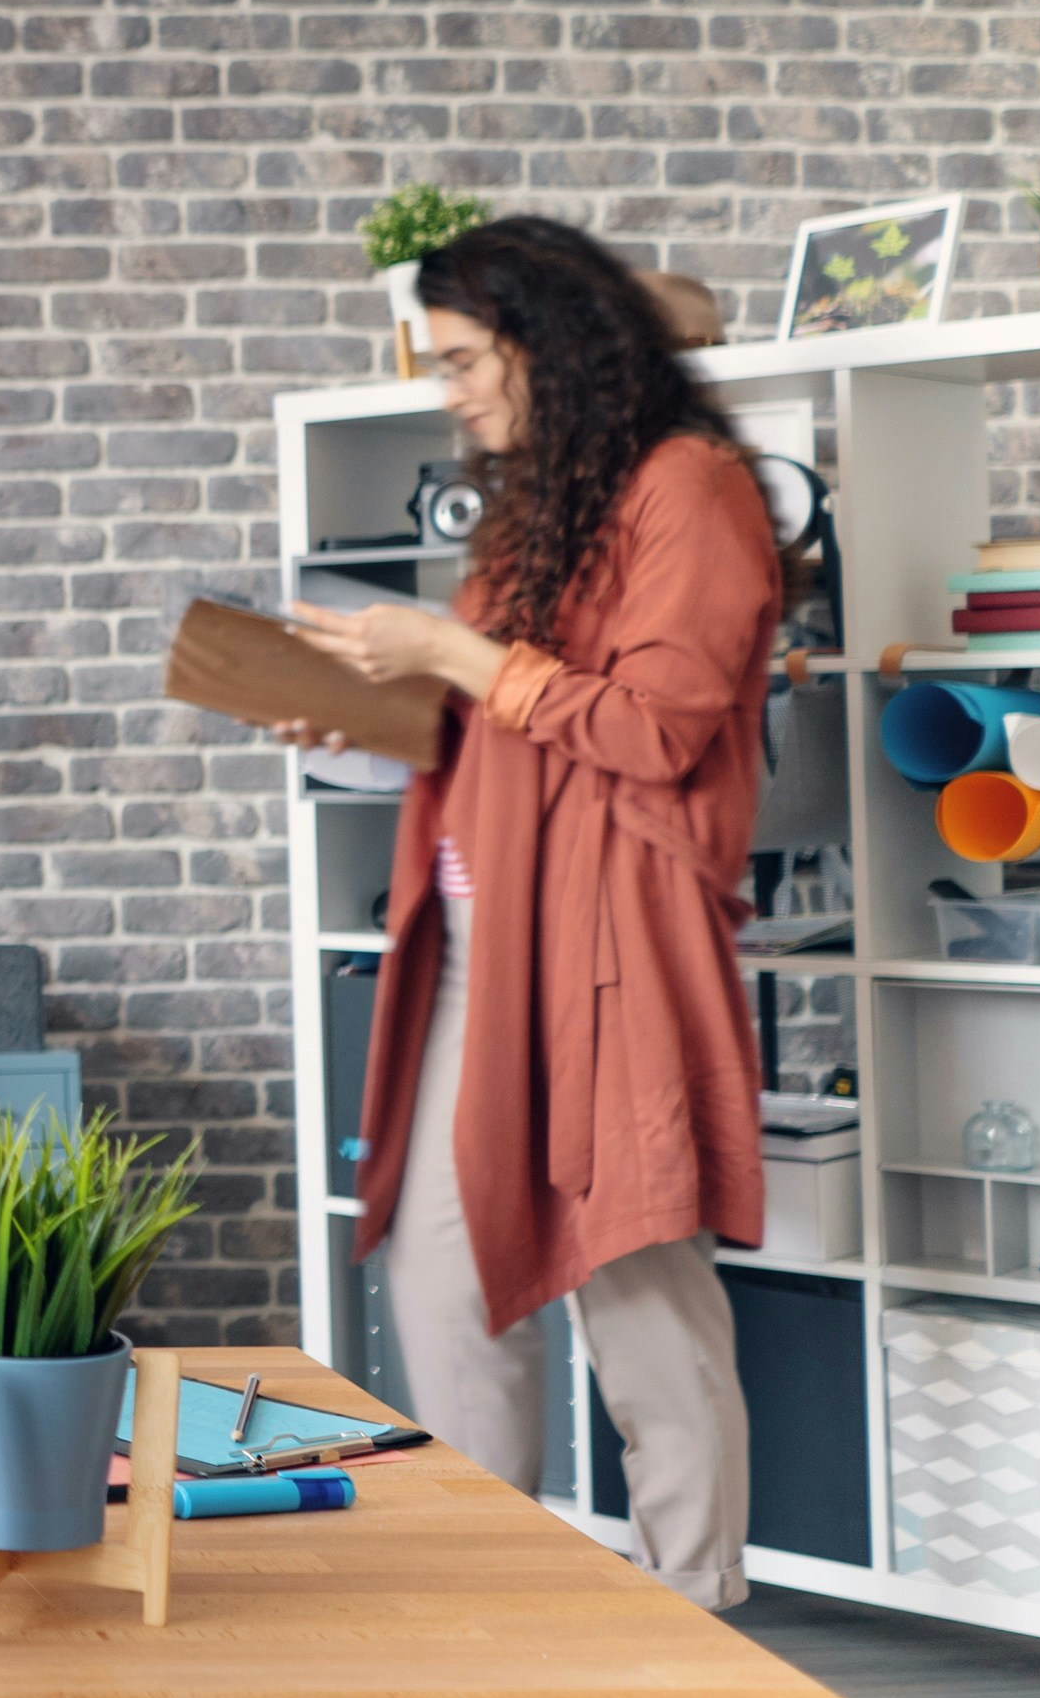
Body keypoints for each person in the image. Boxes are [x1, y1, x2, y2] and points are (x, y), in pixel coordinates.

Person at [290, 214, 780, 1612]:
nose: (449, 393)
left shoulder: (691, 488)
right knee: (444, 1287)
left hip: (607, 954)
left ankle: (693, 1606)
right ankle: (484, 1602)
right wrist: (357, 716)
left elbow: (655, 729)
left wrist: (448, 648)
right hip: (477, 958)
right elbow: (495, 724)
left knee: (636, 1293)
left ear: (544, 345)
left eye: (461, 361)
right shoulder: (534, 513)